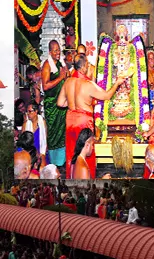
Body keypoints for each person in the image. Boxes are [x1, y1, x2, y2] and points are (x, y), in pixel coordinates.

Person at [57, 53, 127, 178]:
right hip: (83, 122)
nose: (89, 68)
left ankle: (72, 177)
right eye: (88, 65)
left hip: (70, 120)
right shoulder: (88, 84)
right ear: (83, 67)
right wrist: (117, 82)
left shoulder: (67, 81)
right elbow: (106, 96)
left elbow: (60, 103)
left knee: (72, 154)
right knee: (86, 152)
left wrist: (73, 103)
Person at [41, 40, 69, 169]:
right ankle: (53, 162)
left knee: (62, 131)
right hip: (52, 105)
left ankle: (61, 161)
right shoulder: (47, 65)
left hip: (62, 104)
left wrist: (66, 74)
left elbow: (65, 78)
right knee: (53, 133)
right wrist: (60, 77)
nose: (58, 53)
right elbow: (45, 86)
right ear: (50, 52)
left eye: (59, 50)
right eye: (55, 50)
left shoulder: (60, 64)